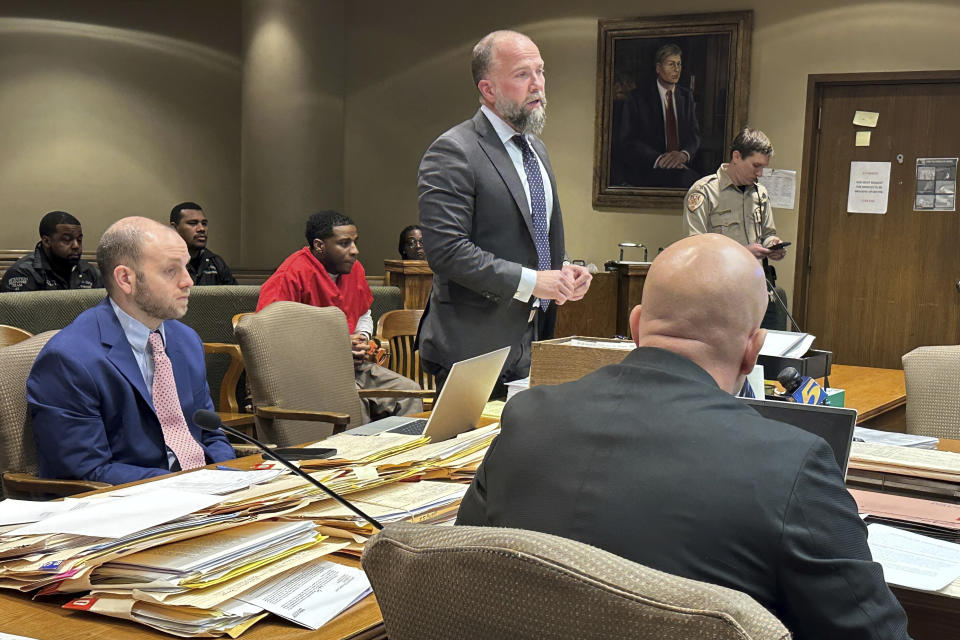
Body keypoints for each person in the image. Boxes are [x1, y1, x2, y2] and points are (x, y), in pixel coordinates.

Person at [456, 234, 910, 640]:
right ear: (753, 351)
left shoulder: (526, 418)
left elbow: (460, 566)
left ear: (636, 327)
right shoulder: (792, 463)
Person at [417, 29, 591, 393]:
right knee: (468, 451)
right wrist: (532, 281)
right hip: (473, 348)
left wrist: (563, 270)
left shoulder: (536, 150)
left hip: (532, 342)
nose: (538, 85)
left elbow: (533, 237)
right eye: (522, 74)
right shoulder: (454, 151)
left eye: (540, 72)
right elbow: (447, 252)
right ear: (488, 90)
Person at [27, 217, 235, 485]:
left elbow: (210, 434)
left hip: (208, 499)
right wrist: (189, 485)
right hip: (127, 508)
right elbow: (84, 471)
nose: (188, 282)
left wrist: (231, 479)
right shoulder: (69, 359)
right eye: (171, 271)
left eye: (185, 267)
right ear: (126, 278)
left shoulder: (185, 340)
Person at [257, 210, 423, 422]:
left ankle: (404, 454)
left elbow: (363, 311)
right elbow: (268, 336)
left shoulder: (355, 269)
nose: (355, 250)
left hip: (352, 367)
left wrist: (362, 338)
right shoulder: (292, 273)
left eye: (354, 242)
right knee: (353, 400)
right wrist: (339, 345)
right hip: (307, 372)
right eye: (344, 243)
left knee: (408, 392)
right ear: (319, 245)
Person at [684, 128, 787, 329]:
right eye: (756, 165)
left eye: (763, 167)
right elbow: (695, 248)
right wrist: (743, 252)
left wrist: (772, 244)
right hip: (720, 291)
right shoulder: (704, 192)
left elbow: (768, 233)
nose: (760, 173)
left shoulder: (760, 194)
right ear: (737, 157)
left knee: (768, 351)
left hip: (757, 287)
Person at [616, 43, 701, 188]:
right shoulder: (638, 98)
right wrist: (659, 159)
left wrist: (684, 155)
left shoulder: (686, 97)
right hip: (648, 169)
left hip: (682, 169)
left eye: (679, 64)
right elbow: (628, 140)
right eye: (671, 64)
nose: (677, 69)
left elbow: (694, 135)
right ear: (658, 68)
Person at [1, 210, 102, 292]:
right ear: (46, 241)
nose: (76, 245)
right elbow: (18, 316)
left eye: (79, 239)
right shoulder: (23, 274)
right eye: (66, 239)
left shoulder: (89, 272)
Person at [170, 202, 238, 286]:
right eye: (192, 223)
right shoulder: (163, 262)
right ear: (174, 228)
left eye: (204, 223)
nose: (202, 229)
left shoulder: (216, 263)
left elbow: (235, 298)